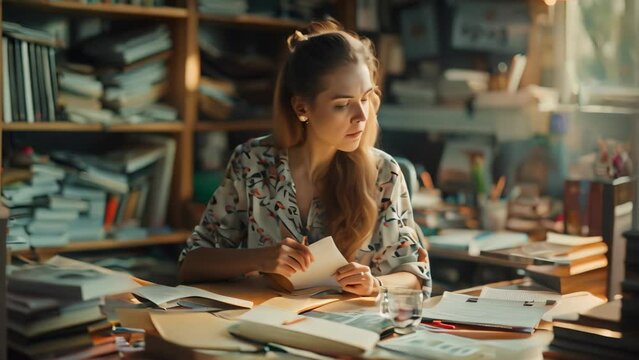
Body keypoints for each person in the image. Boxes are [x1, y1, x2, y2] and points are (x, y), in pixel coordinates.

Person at [179, 20, 431, 297]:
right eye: (342, 105)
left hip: (346, 328)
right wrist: (260, 258)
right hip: (268, 323)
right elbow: (192, 262)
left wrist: (376, 284)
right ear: (302, 107)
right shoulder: (252, 162)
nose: (362, 116)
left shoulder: (383, 172)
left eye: (366, 98)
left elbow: (415, 275)